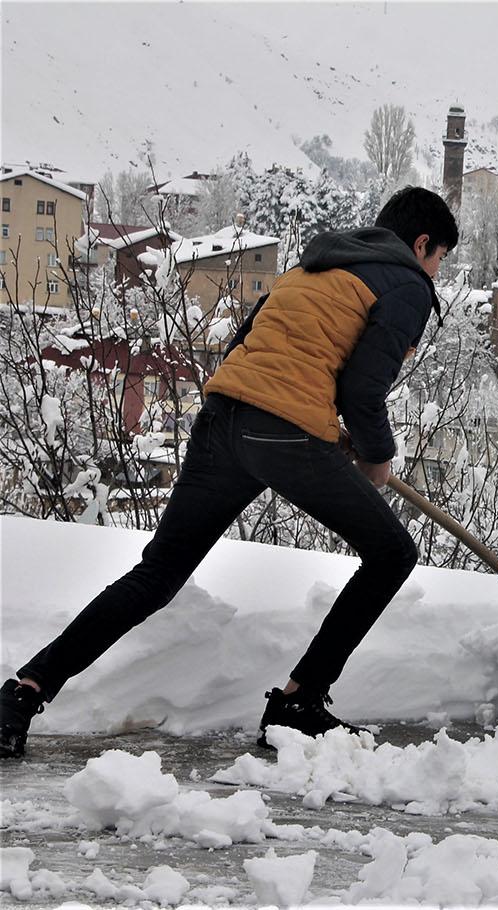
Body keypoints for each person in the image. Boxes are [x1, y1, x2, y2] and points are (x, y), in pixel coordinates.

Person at [0, 186, 458, 758]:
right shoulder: (407, 283)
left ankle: (23, 692)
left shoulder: (314, 265)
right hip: (283, 431)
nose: (436, 272)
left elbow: (248, 346)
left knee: (157, 574)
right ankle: (297, 705)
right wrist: (374, 456)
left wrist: (318, 422)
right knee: (393, 553)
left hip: (222, 421)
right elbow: (362, 387)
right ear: (421, 244)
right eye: (439, 259)